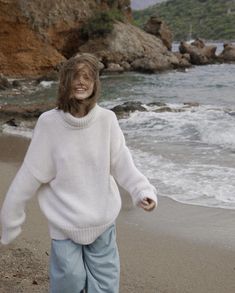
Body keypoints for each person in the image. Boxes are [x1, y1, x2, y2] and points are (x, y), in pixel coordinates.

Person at [0, 53, 157, 293]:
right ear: (65, 82)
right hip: (64, 221)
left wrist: (142, 190)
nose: (81, 82)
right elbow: (29, 174)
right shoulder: (49, 123)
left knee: (104, 284)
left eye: (87, 77)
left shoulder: (107, 120)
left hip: (102, 219)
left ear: (95, 83)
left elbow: (122, 162)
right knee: (69, 281)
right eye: (75, 77)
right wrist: (10, 220)